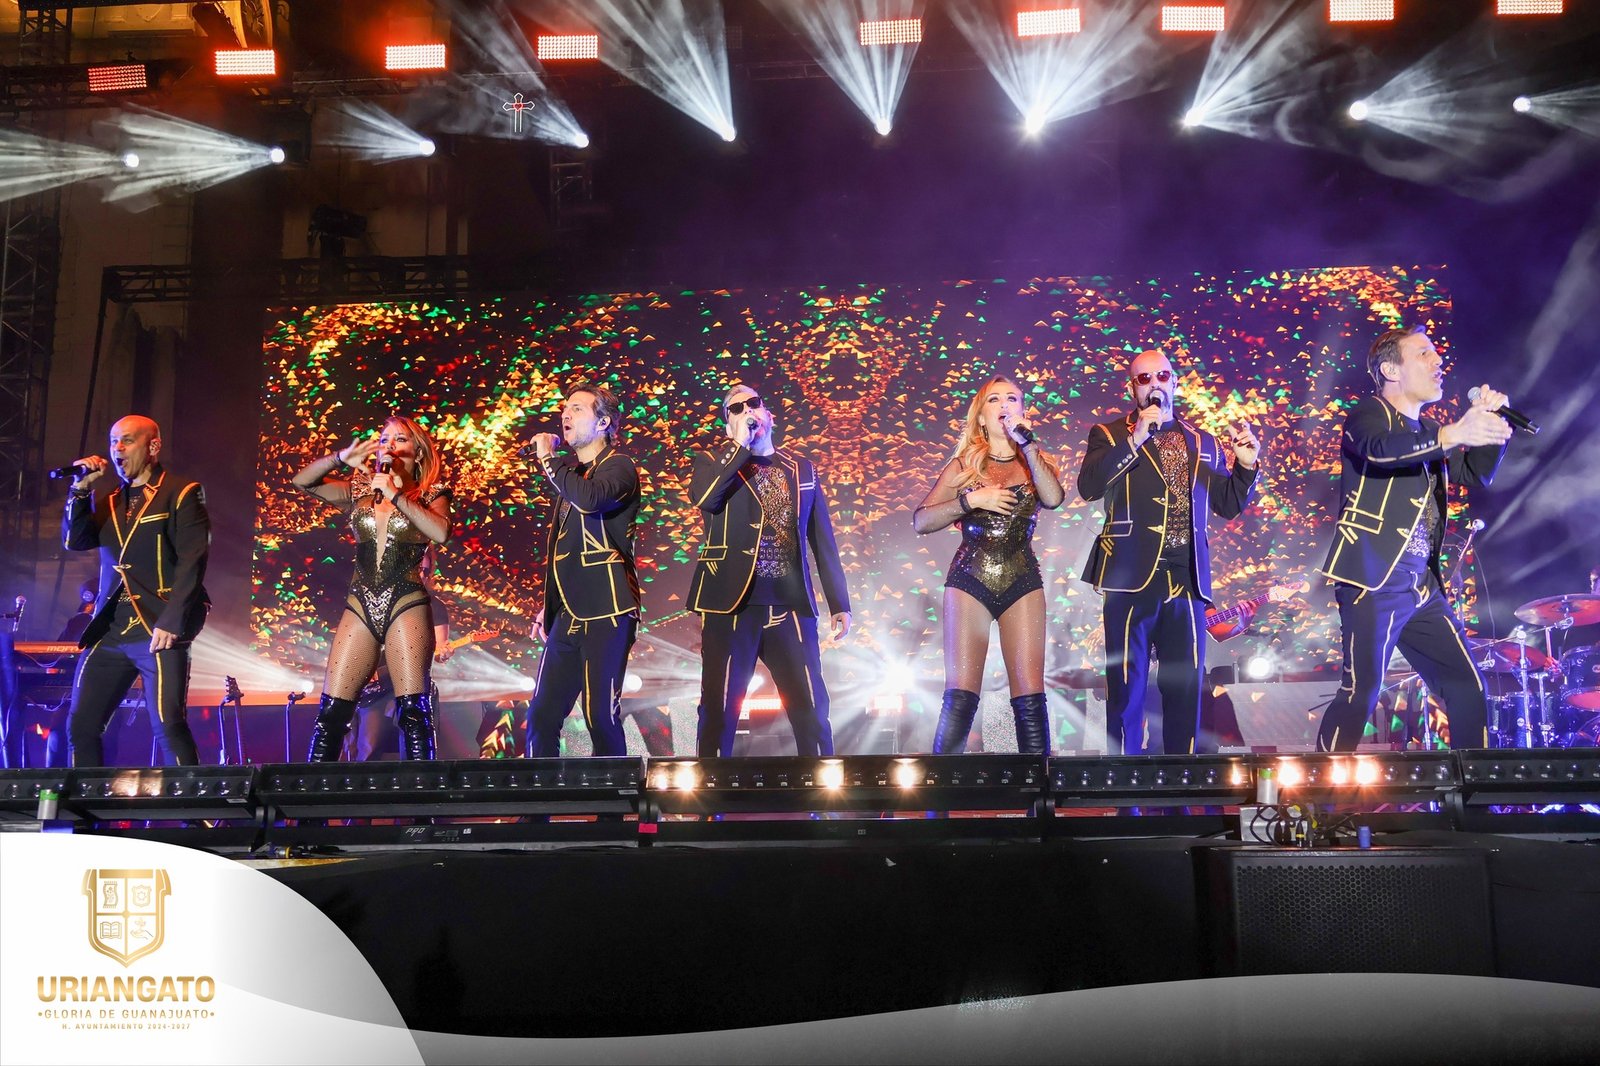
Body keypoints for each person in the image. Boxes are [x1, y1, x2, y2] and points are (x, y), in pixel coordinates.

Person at [1316, 327, 1511, 751]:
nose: (1438, 362)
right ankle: (1319, 789)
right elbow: (1381, 450)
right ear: (1391, 370)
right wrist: (1454, 433)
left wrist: (1493, 425)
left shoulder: (1429, 429)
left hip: (1421, 584)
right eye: (1424, 353)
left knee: (1466, 685)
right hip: (1374, 578)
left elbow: (1473, 473)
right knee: (1361, 693)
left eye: (1436, 354)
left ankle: (1473, 789)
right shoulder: (1368, 414)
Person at [1076, 350, 1260, 755]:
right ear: (1133, 387)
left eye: (1162, 376)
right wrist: (1136, 437)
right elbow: (1088, 487)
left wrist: (1246, 467)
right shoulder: (1108, 434)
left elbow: (1227, 505)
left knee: (1186, 686)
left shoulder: (1204, 441)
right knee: (1127, 685)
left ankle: (1183, 776)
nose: (1154, 384)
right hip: (1129, 575)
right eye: (1144, 378)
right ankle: (1124, 776)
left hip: (1187, 578)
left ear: (1175, 382)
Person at [687, 383, 851, 757]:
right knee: (718, 711)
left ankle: (822, 787)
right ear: (728, 425)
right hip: (730, 606)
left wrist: (839, 602)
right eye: (735, 409)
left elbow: (821, 538)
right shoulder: (711, 461)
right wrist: (738, 447)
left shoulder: (801, 468)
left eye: (753, 403)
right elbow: (706, 499)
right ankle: (710, 790)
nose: (747, 411)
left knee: (812, 709)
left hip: (789, 604)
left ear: (769, 415)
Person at [913, 376, 1065, 753]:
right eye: (994, 400)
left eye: (1012, 398)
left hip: (1022, 580)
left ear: (1022, 410)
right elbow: (922, 521)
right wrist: (972, 501)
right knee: (961, 694)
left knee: (1030, 695)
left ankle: (1038, 786)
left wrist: (1028, 446)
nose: (1004, 405)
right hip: (970, 580)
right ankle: (941, 788)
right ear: (981, 417)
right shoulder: (963, 465)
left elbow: (1053, 499)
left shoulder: (1036, 462)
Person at [292, 414, 452, 760]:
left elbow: (440, 532)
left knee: (414, 714)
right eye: (383, 440)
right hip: (360, 604)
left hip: (406, 603)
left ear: (418, 452)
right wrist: (339, 458)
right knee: (331, 715)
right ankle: (312, 797)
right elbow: (302, 481)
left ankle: (422, 796)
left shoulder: (431, 494)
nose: (389, 445)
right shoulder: (360, 489)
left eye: (399, 439)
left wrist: (396, 494)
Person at [63, 415, 210, 766]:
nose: (117, 449)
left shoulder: (182, 492)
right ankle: (86, 802)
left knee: (169, 725)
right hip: (111, 629)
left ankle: (192, 800)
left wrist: (173, 620)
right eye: (113, 441)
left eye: (127, 440)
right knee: (81, 727)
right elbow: (76, 540)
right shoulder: (112, 501)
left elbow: (193, 559)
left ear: (153, 446)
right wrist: (81, 490)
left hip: (158, 625)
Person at [523, 380, 642, 758]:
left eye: (577, 408)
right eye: (565, 408)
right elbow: (567, 548)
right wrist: (550, 605)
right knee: (541, 714)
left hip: (609, 608)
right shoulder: (572, 477)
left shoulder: (619, 466)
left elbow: (591, 501)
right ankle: (539, 796)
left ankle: (616, 796)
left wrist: (548, 459)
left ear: (604, 422)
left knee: (599, 715)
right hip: (568, 614)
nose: (565, 414)